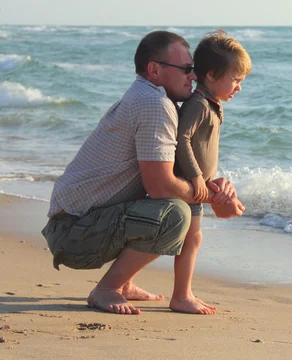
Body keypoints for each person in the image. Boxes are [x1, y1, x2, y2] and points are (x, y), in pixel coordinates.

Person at [41, 30, 243, 316]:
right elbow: (161, 187)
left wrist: (214, 186)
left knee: (165, 206)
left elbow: (168, 173)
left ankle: (124, 283)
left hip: (74, 224)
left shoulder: (151, 97)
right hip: (73, 234)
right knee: (174, 214)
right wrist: (214, 198)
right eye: (187, 69)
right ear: (154, 69)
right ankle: (106, 289)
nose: (194, 76)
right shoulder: (154, 105)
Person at [173, 30, 251, 314]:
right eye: (236, 79)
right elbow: (181, 138)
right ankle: (181, 296)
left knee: (192, 238)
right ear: (211, 74)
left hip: (198, 186)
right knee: (190, 239)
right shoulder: (198, 105)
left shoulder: (211, 104)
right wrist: (195, 177)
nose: (239, 87)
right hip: (187, 185)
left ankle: (181, 293)